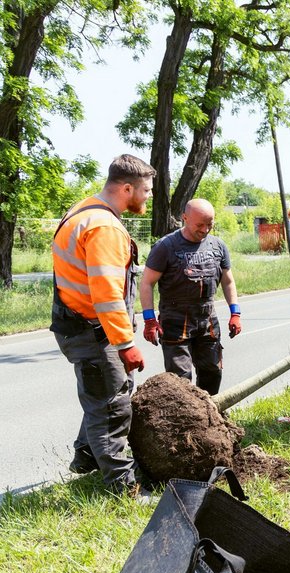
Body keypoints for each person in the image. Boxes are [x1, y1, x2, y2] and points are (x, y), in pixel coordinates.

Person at [51, 154, 154, 498]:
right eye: (145, 190)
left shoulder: (85, 209)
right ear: (127, 188)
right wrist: (125, 343)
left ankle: (84, 459)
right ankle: (123, 490)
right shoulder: (105, 227)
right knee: (112, 407)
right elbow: (106, 292)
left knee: (104, 395)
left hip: (77, 325)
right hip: (93, 331)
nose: (149, 196)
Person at [139, 198, 241, 396]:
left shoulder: (218, 246)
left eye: (210, 224)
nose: (205, 230)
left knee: (212, 371)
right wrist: (149, 320)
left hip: (207, 319)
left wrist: (235, 312)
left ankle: (209, 416)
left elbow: (228, 281)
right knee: (180, 380)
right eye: (200, 225)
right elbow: (147, 283)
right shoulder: (165, 247)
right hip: (175, 320)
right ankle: (185, 423)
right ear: (185, 218)